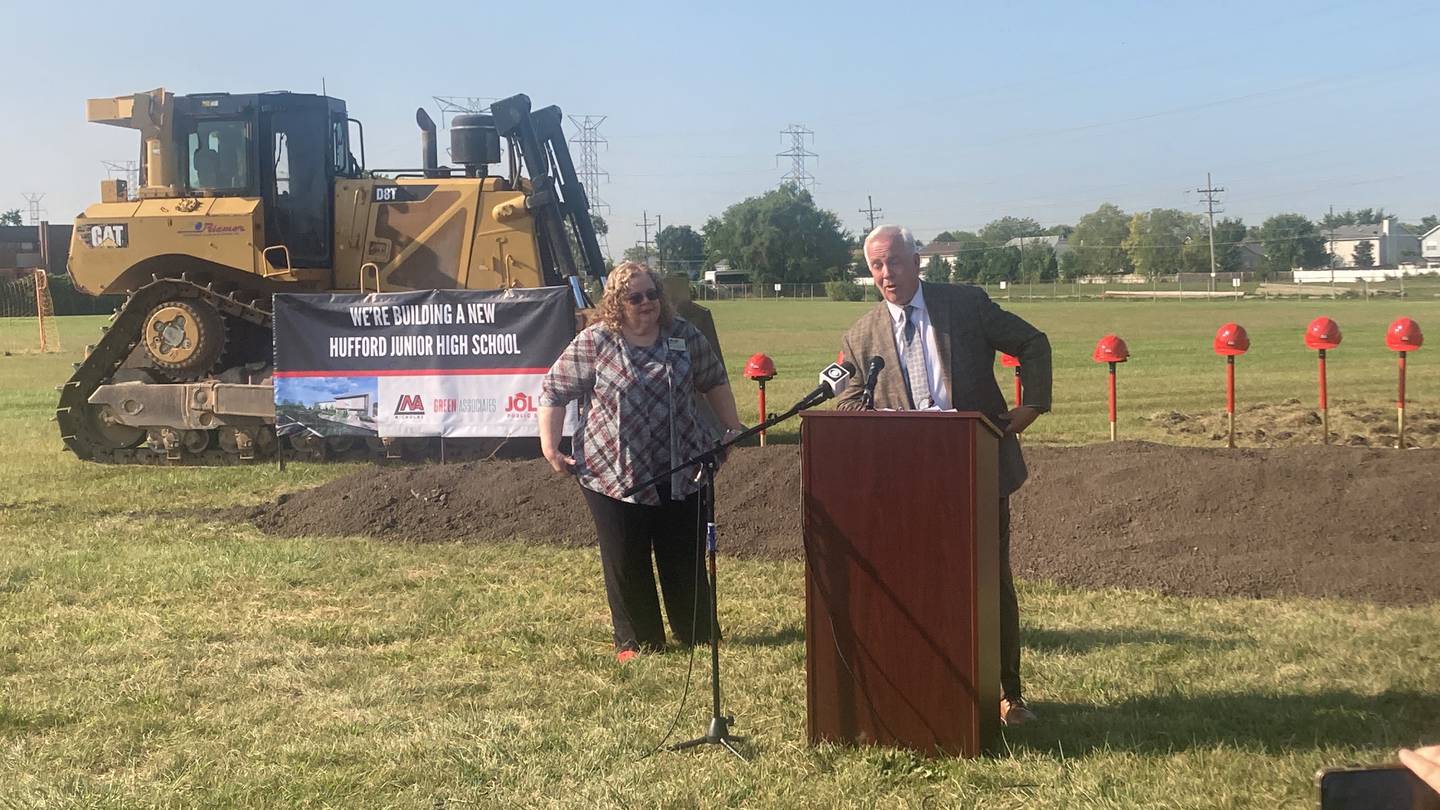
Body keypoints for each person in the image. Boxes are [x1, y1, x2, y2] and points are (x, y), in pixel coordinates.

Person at [835, 224, 1052, 727]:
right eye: (876, 266)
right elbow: (849, 402)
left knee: (989, 581)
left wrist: (1031, 408)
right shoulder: (860, 334)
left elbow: (1033, 343)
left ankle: (1007, 695)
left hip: (978, 467)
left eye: (894, 261)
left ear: (916, 260)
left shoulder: (965, 304)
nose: (887, 274)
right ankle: (930, 682)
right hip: (906, 485)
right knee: (920, 583)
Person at [539, 261, 746, 662]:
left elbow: (714, 379)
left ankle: (698, 631)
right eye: (635, 297)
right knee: (626, 556)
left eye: (652, 294)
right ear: (617, 302)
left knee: (683, 552)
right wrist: (551, 447)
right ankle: (636, 641)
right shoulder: (595, 342)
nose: (646, 303)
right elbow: (552, 391)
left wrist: (731, 427)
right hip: (612, 471)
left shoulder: (683, 335)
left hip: (683, 465)